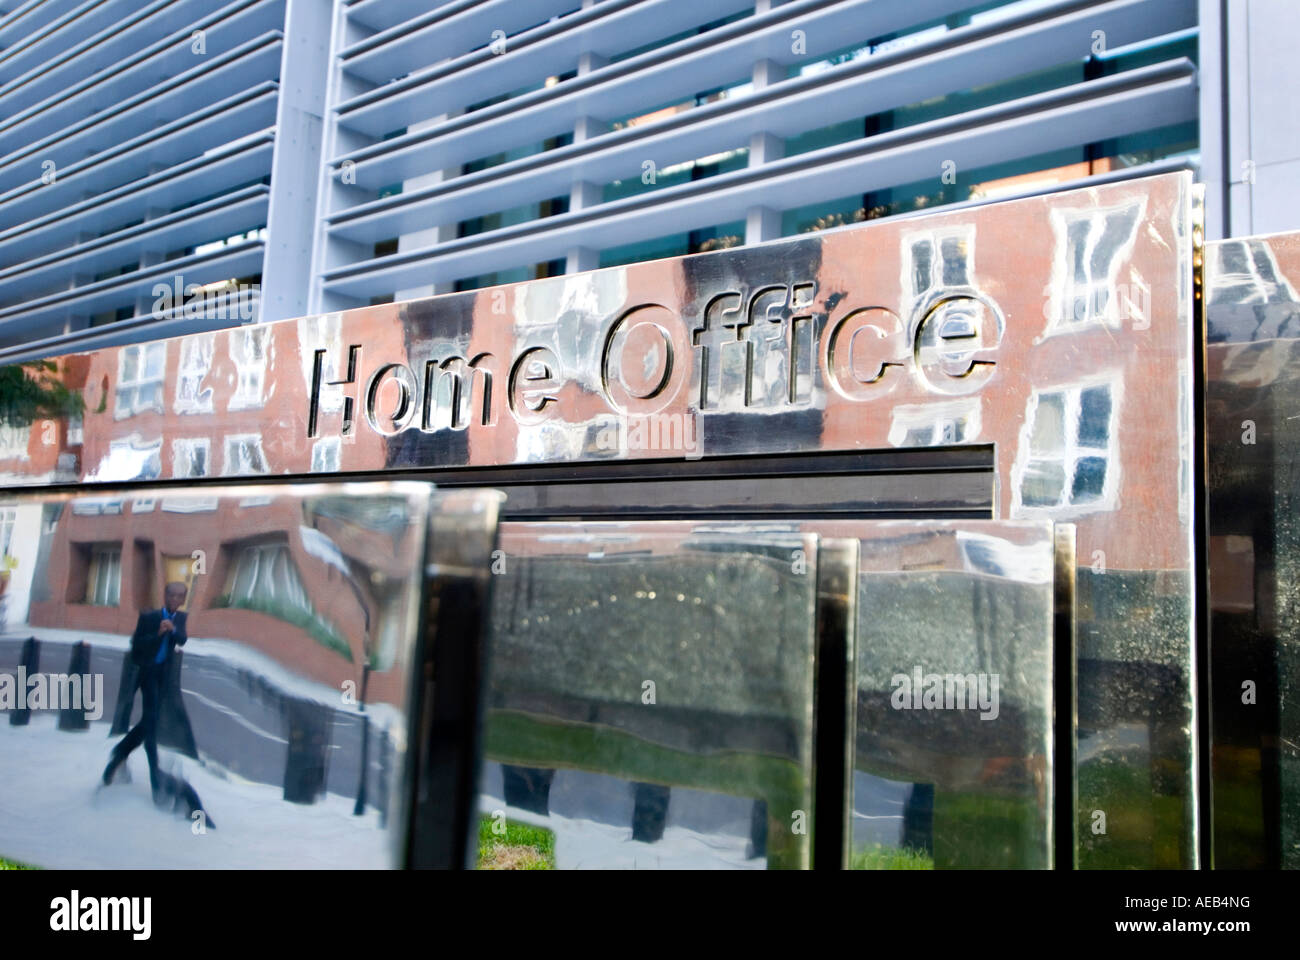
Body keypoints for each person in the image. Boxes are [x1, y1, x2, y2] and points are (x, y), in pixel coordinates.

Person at [102, 581, 189, 802]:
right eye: (173, 596)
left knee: (148, 723)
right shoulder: (150, 617)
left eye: (181, 596)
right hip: (147, 674)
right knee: (150, 724)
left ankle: (120, 753)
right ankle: (156, 780)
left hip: (163, 676)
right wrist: (159, 634)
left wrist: (174, 630)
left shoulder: (180, 618)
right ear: (165, 596)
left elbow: (183, 640)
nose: (177, 600)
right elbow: (136, 645)